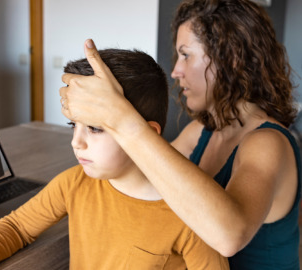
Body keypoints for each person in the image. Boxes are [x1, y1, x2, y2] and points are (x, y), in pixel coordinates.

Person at [60, 0, 301, 269]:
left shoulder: (268, 142)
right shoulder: (201, 131)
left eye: (185, 54)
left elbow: (229, 236)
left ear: (230, 58)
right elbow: (146, 174)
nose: (175, 71)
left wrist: (121, 117)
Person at [0, 49, 229, 270]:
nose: (76, 141)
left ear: (146, 134)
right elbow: (16, 227)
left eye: (95, 128)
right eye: (74, 125)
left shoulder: (190, 215)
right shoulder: (73, 184)